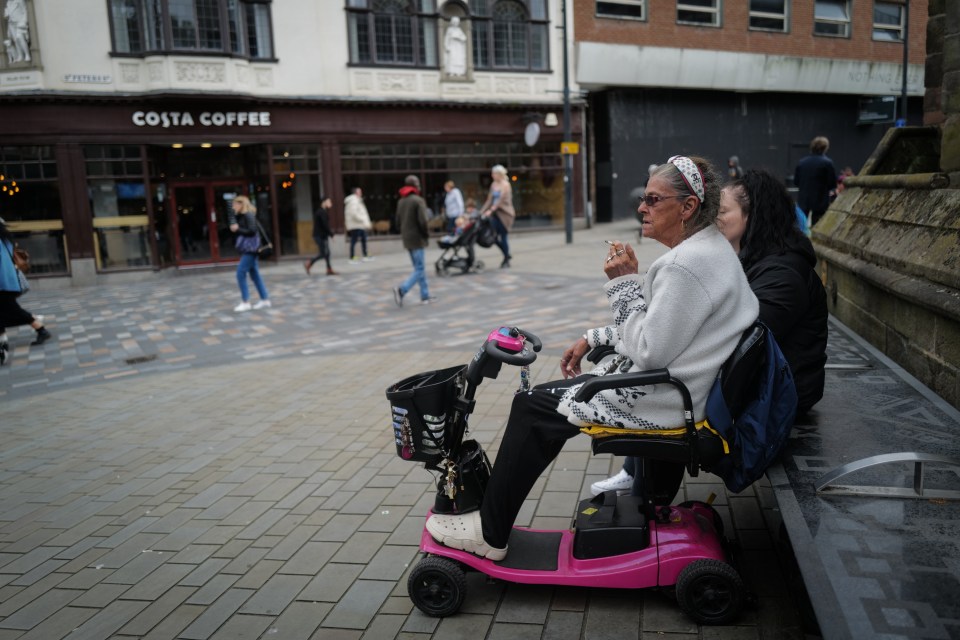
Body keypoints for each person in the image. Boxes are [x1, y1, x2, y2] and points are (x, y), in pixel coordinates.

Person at [426, 156, 758, 560]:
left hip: (669, 398)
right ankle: (636, 505)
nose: (642, 207)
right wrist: (594, 336)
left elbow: (651, 350)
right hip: (684, 386)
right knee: (546, 402)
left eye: (653, 199)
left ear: (688, 208)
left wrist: (623, 285)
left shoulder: (686, 265)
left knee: (531, 408)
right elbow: (661, 331)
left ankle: (490, 534)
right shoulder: (706, 251)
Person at [593, 168, 829, 497]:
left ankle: (648, 496)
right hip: (758, 379)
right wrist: (600, 337)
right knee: (666, 376)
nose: (712, 218)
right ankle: (640, 482)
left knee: (675, 384)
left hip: (780, 393)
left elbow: (737, 339)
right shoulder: (750, 259)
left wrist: (629, 292)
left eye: (721, 211)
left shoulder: (783, 273)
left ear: (754, 216)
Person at [1, 217, 51, 363]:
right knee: (5, 311)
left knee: (12, 310)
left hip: (3, 282)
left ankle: (39, 326)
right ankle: (3, 345)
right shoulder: (5, 239)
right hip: (8, 281)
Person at [392, 175, 433, 306]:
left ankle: (425, 295)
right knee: (420, 268)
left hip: (407, 239)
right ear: (415, 186)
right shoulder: (418, 201)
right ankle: (402, 290)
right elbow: (423, 221)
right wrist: (426, 234)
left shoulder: (401, 201)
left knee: (418, 267)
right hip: (417, 238)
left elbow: (397, 222)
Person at [229, 195, 270, 312]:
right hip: (249, 249)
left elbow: (252, 231)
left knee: (240, 273)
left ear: (241, 204)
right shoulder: (243, 216)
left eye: (235, 204)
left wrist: (238, 229)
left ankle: (245, 301)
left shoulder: (248, 215)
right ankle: (265, 299)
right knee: (255, 274)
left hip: (251, 250)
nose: (233, 207)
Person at [794, 136, 837, 228]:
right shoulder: (827, 163)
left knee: (801, 225)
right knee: (817, 225)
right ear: (825, 148)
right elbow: (832, 183)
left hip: (804, 198)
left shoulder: (802, 162)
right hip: (820, 198)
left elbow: (796, 181)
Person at [479, 164, 515, 268]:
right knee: (492, 236)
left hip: (505, 214)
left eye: (494, 173)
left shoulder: (506, 185)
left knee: (503, 237)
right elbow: (489, 200)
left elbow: (500, 200)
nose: (492, 175)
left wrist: (491, 210)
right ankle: (506, 254)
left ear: (499, 174)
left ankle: (506, 260)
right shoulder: (493, 184)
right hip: (495, 214)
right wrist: (481, 211)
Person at [304, 196, 338, 276]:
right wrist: (332, 235)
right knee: (323, 253)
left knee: (327, 253)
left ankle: (329, 269)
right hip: (319, 236)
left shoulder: (322, 211)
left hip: (321, 235)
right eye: (329, 202)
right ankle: (309, 263)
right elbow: (325, 225)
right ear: (324, 202)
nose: (330, 203)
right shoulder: (321, 212)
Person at [344, 187, 373, 263]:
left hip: (359, 225)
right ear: (356, 193)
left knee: (363, 240)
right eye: (359, 192)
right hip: (356, 225)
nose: (361, 193)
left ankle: (365, 254)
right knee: (354, 240)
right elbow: (354, 213)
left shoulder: (357, 200)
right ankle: (352, 256)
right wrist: (362, 220)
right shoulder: (353, 201)